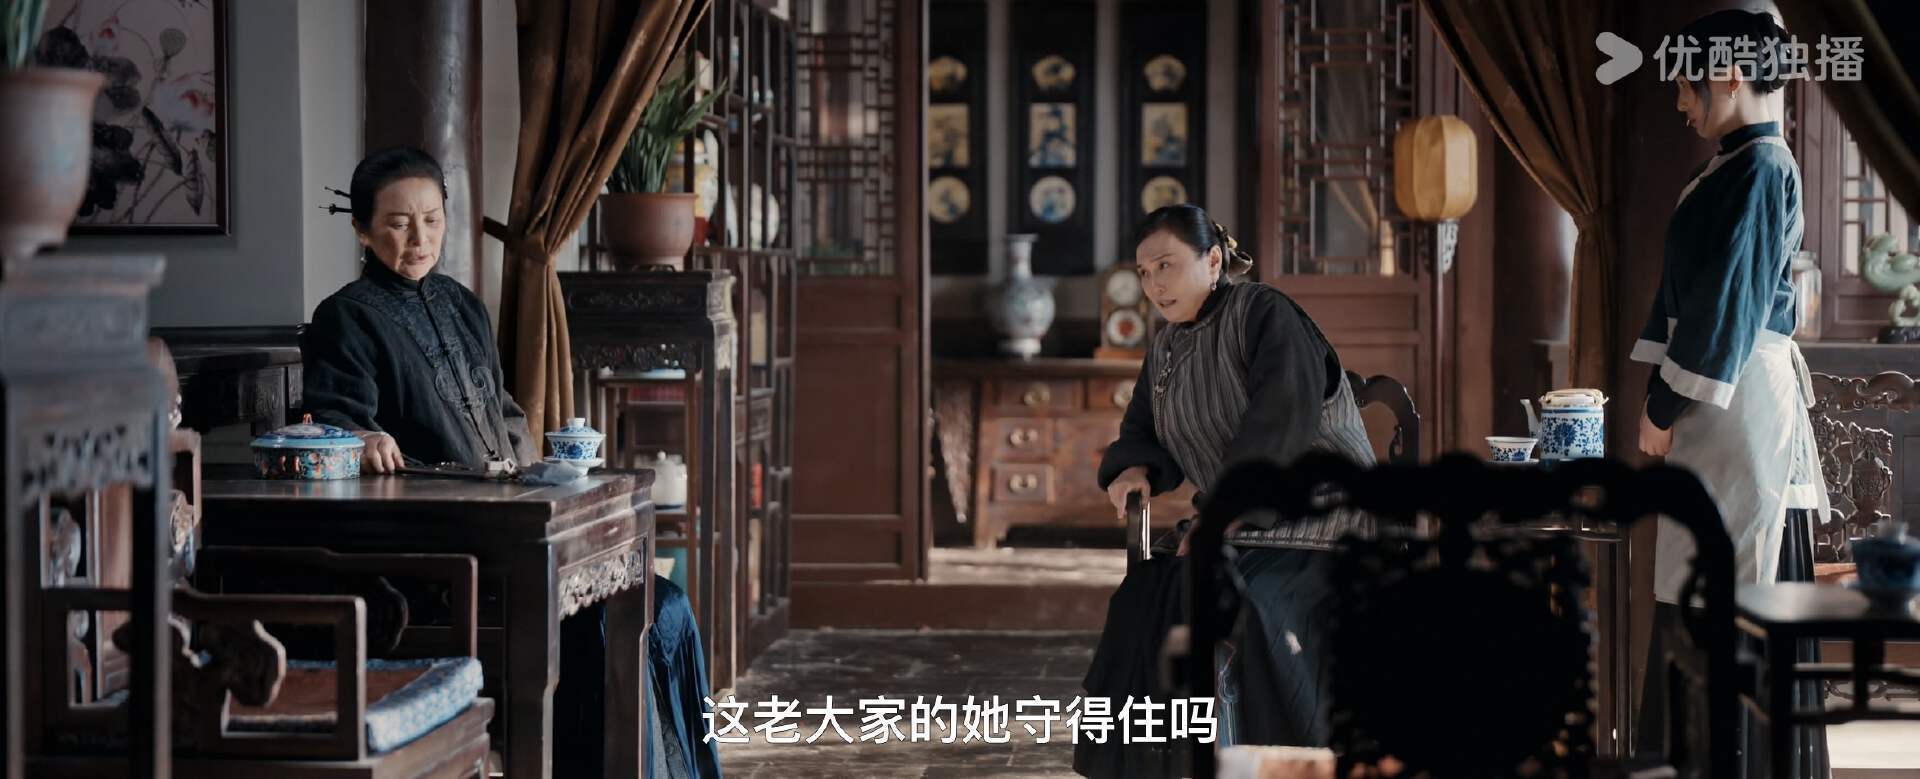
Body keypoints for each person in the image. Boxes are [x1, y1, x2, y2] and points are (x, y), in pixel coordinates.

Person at [302, 146, 722, 778]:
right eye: (397, 223)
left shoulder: (462, 305)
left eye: (432, 220)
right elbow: (335, 419)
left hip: (513, 532)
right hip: (440, 561)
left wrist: (537, 470)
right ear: (362, 229)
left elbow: (505, 414)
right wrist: (359, 437)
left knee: (663, 605)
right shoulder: (346, 317)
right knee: (608, 623)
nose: (419, 239)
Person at [1075, 205, 1376, 778]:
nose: (1154, 284)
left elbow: (1278, 423)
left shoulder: (1265, 314)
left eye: (1166, 265)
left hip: (1324, 519)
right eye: (1144, 272)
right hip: (1243, 525)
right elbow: (1144, 429)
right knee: (1144, 600)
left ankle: (1275, 764)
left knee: (1239, 601)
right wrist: (1134, 469)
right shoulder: (1166, 346)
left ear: (1213, 261)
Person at [1629, 11, 1829, 778]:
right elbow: (1689, 303)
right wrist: (1663, 393)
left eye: (1687, 84)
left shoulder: (1763, 168)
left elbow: (1726, 307)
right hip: (1718, 406)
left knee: (1734, 593)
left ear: (1729, 75)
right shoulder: (1733, 166)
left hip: (1740, 410)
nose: (1681, 101)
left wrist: (1660, 406)